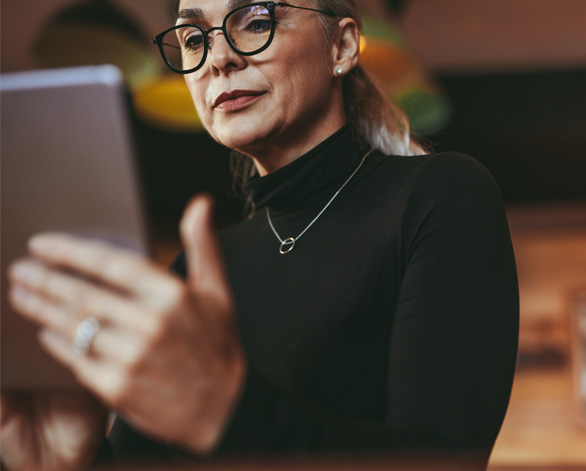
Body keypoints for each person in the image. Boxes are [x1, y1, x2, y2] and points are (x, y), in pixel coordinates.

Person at [1, 1, 519, 470]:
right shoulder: (195, 270)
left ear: (340, 47)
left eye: (257, 22)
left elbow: (445, 460)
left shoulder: (440, 195)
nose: (216, 59)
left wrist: (225, 412)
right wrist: (71, 460)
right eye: (194, 38)